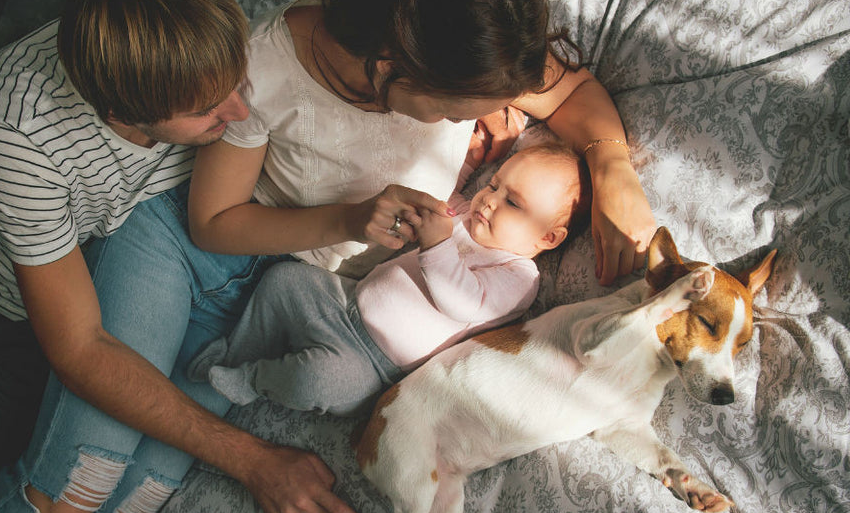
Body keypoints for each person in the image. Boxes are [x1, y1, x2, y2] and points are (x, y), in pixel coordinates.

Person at [0, 0, 655, 513]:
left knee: (128, 510)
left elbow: (574, 92)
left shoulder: (455, 46)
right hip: (189, 253)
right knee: (77, 486)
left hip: (277, 296)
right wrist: (346, 219)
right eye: (463, 110)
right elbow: (210, 223)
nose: (493, 120)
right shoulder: (266, 68)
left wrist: (613, 165)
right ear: (391, 70)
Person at [0, 0, 350, 513]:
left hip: (29, 336)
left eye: (238, 85)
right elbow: (82, 346)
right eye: (206, 112)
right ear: (119, 114)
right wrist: (252, 459)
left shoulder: (184, 29)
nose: (239, 116)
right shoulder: (14, 125)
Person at [191, 143, 591, 416]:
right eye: (494, 183)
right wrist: (465, 168)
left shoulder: (520, 277)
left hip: (371, 365)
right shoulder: (470, 214)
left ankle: (252, 378)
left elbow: (463, 301)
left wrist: (438, 244)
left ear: (548, 238)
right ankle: (235, 352)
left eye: (513, 202)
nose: (489, 199)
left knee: (317, 382)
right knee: (283, 281)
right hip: (342, 301)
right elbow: (438, 196)